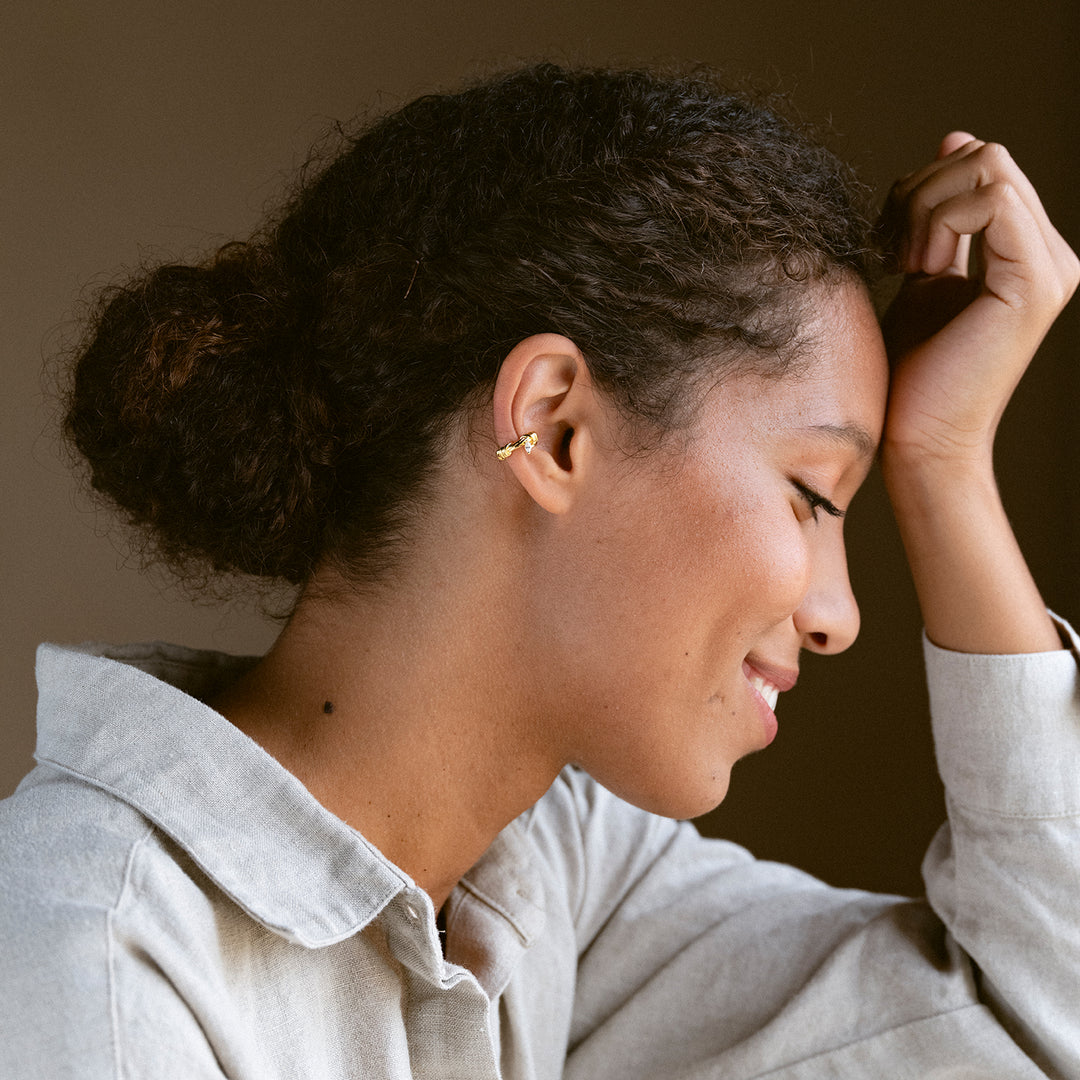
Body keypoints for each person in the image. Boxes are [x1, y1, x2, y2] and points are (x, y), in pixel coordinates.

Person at [1, 63, 1077, 1078]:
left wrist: (946, 466)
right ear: (555, 429)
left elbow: (1031, 1026)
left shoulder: (556, 876)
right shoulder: (96, 959)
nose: (838, 615)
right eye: (812, 493)